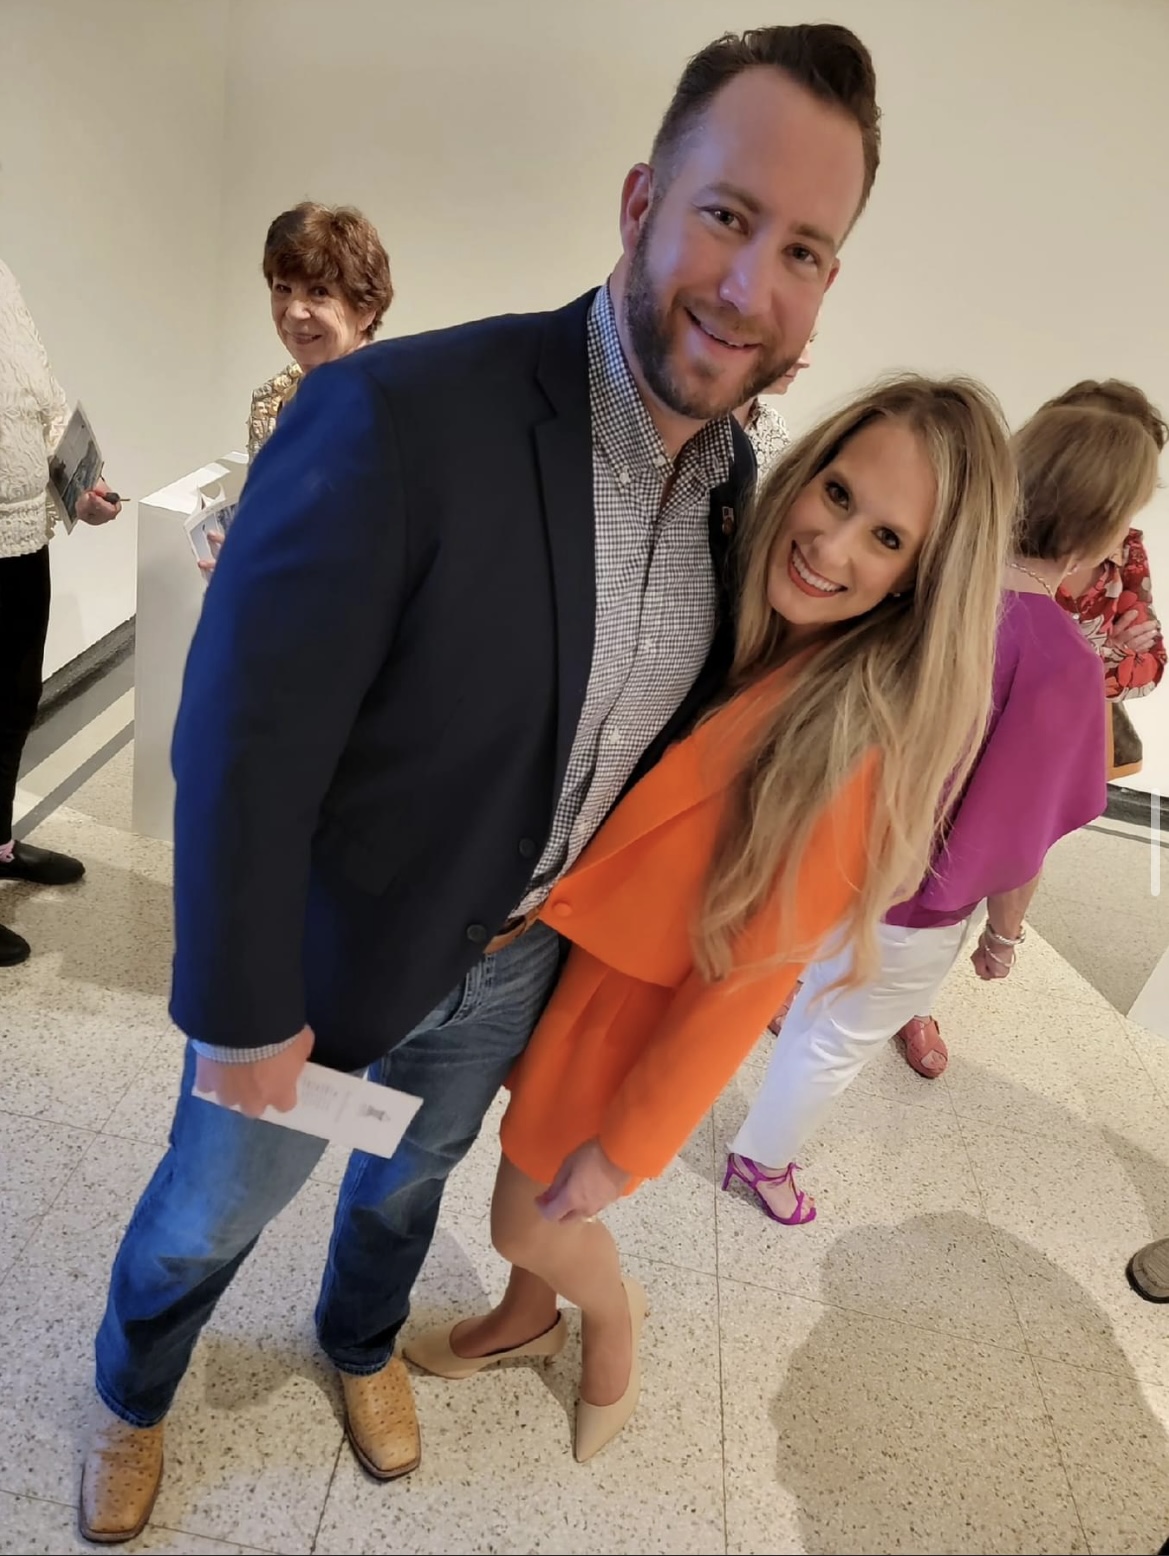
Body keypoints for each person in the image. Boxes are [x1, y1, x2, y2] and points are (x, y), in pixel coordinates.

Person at [81, 21, 882, 1544]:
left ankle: (359, 1340)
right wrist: (242, 1006)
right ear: (641, 201)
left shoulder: (742, 501)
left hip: (512, 969)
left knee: (404, 1191)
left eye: (800, 249)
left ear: (824, 286)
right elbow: (243, 735)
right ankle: (133, 1386)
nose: (747, 284)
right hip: (323, 961)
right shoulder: (401, 414)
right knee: (207, 1209)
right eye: (725, 214)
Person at [404, 374, 1018, 1459]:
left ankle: (610, 1317)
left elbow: (747, 982)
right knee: (521, 1185)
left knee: (527, 1216)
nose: (829, 545)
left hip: (628, 1017)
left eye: (884, 538)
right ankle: (524, 1317)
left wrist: (625, 1149)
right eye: (836, 494)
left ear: (920, 580)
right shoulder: (757, 630)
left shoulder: (850, 740)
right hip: (565, 962)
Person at [725, 393, 1161, 1223]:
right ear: (1099, 531)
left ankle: (768, 1090)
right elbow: (1023, 831)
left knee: (813, 995)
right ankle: (761, 1161)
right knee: (844, 1036)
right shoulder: (1059, 661)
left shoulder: (923, 585)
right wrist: (1003, 935)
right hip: (911, 898)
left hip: (820, 847)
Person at [0, 257, 122, 968]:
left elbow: (40, 399)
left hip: (22, 533)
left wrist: (77, 486)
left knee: (15, 702)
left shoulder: (2, 276)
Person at [199, 202, 393, 577]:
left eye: (319, 292)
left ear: (366, 309)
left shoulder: (387, 414)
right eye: (283, 289)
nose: (293, 312)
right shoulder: (277, 396)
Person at [1044, 381, 1166, 778]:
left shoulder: (1127, 552)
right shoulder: (1002, 540)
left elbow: (1149, 669)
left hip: (1071, 752)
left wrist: (1095, 659)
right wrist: (1104, 652)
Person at [735, 329, 815, 476]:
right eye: (794, 338)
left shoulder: (775, 430)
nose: (805, 361)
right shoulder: (693, 416)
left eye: (811, 340)